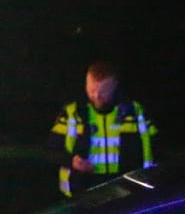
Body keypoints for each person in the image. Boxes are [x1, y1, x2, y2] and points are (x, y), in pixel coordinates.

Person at [49, 61, 157, 198]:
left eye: (103, 91)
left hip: (127, 189)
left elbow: (156, 146)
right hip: (81, 191)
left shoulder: (134, 112)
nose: (96, 96)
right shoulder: (73, 113)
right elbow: (50, 150)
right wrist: (72, 161)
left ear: (114, 86)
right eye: (91, 89)